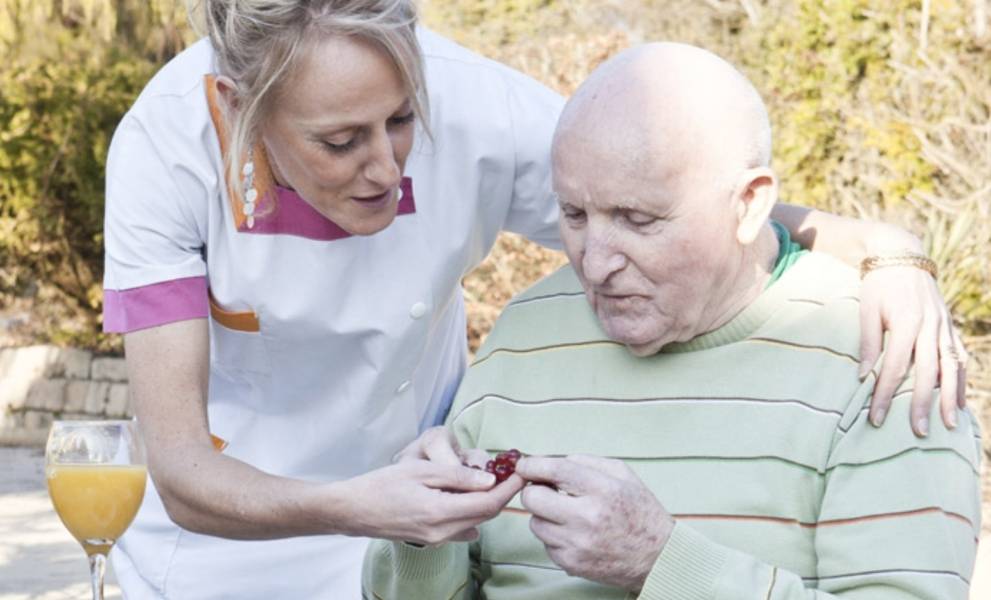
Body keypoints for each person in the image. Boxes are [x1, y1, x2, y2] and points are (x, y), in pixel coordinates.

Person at [102, 1, 967, 598]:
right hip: (226, 540)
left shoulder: (480, 107)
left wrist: (884, 251)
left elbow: (667, 190)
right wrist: (357, 505)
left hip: (409, 520)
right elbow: (182, 473)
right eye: (338, 141)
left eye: (402, 121)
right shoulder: (163, 149)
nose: (386, 165)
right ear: (236, 107)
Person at [363, 42, 982, 599]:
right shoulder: (525, 332)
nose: (595, 264)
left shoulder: (885, 353)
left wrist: (661, 564)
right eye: (574, 215)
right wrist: (421, 539)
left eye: (638, 220)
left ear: (749, 204)